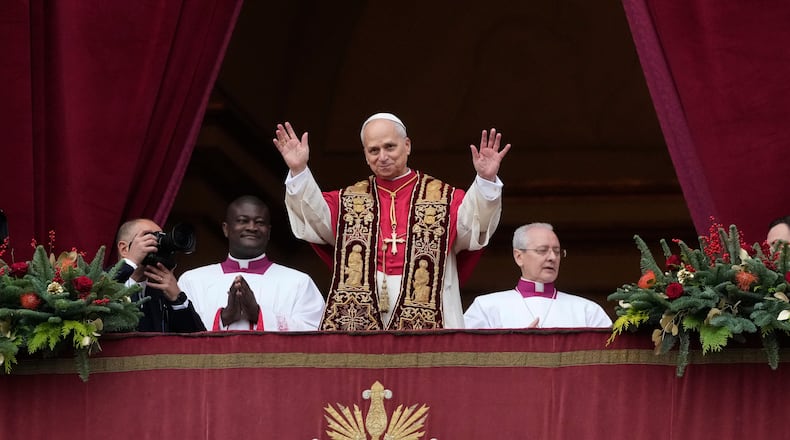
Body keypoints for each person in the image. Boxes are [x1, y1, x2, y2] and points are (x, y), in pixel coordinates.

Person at [273, 112, 510, 330]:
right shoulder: (347, 200)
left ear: (407, 146)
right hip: (363, 305)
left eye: (390, 147)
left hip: (430, 304)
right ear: (365, 155)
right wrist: (299, 171)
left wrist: (485, 180)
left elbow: (473, 226)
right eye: (374, 150)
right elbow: (315, 218)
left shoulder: (445, 198)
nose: (383, 157)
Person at [177, 195, 325, 331]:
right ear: (226, 229)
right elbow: (177, 332)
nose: (252, 227)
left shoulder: (299, 282)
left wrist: (259, 314)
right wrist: (224, 317)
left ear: (268, 231)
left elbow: (316, 334)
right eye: (243, 220)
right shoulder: (192, 280)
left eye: (259, 222)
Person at [464, 223, 612, 329]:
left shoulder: (588, 311)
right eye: (542, 250)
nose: (552, 257)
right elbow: (466, 357)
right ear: (519, 256)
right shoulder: (486, 307)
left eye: (557, 251)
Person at [115, 218, 206, 332]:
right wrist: (130, 263)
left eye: (159, 238)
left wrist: (177, 299)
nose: (156, 245)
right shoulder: (97, 282)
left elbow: (198, 341)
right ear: (124, 249)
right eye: (149, 238)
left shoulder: (160, 294)